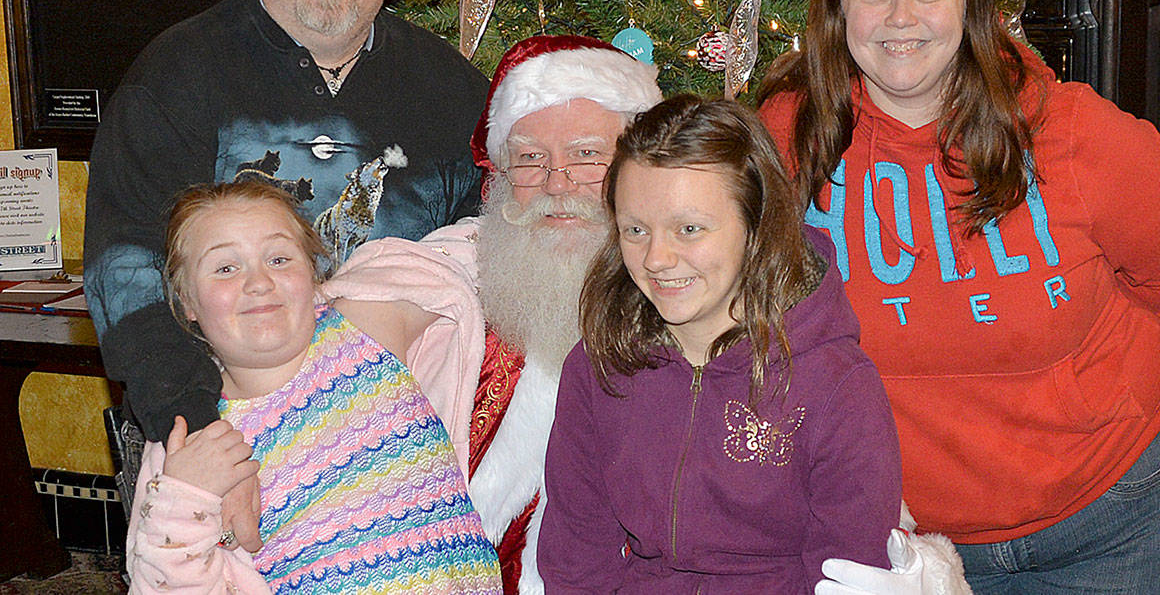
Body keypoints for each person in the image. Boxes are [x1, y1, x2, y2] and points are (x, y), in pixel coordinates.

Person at [756, 0, 1160, 593]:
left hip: (1117, 511)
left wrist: (1065, 371)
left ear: (970, 1)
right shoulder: (787, 137)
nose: (901, 18)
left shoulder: (1072, 129)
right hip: (906, 543)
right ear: (837, 6)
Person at [85, 0, 489, 548]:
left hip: (403, 454)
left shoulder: (452, 93)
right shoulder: (176, 78)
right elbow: (127, 272)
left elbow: (488, 262)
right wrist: (204, 439)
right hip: (226, 440)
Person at [324, 34, 664, 593]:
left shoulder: (683, 288)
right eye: (530, 158)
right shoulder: (465, 261)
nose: (557, 183)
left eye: (586, 156)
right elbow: (350, 332)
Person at [536, 95, 902, 592]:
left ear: (756, 225)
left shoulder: (836, 383)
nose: (657, 258)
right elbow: (576, 560)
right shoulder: (599, 365)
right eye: (635, 230)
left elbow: (850, 575)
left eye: (689, 229)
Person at [125, 180, 502, 594]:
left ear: (312, 273)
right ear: (187, 301)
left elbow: (488, 242)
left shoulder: (366, 326)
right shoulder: (188, 440)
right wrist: (184, 499)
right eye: (226, 268)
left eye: (279, 259)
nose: (259, 282)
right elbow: (159, 585)